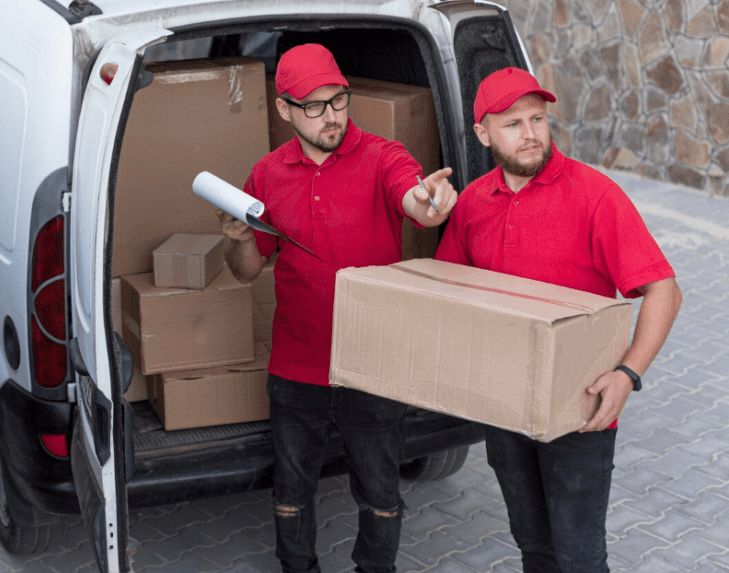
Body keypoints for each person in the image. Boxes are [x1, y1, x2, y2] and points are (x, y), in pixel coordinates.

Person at [216, 43, 457, 573]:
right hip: (297, 364)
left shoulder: (383, 156)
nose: (332, 116)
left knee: (379, 488)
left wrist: (432, 202)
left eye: (340, 100)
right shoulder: (267, 175)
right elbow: (246, 271)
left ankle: (376, 567)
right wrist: (236, 239)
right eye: (315, 106)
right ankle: (297, 565)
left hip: (372, 364)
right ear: (284, 109)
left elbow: (416, 200)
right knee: (292, 487)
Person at [434, 67, 683, 572]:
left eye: (538, 119)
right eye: (512, 124)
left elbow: (665, 291)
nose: (530, 134)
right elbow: (448, 296)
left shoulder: (595, 196)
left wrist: (628, 373)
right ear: (482, 134)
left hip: (581, 404)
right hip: (504, 402)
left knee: (579, 556)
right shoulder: (474, 204)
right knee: (534, 545)